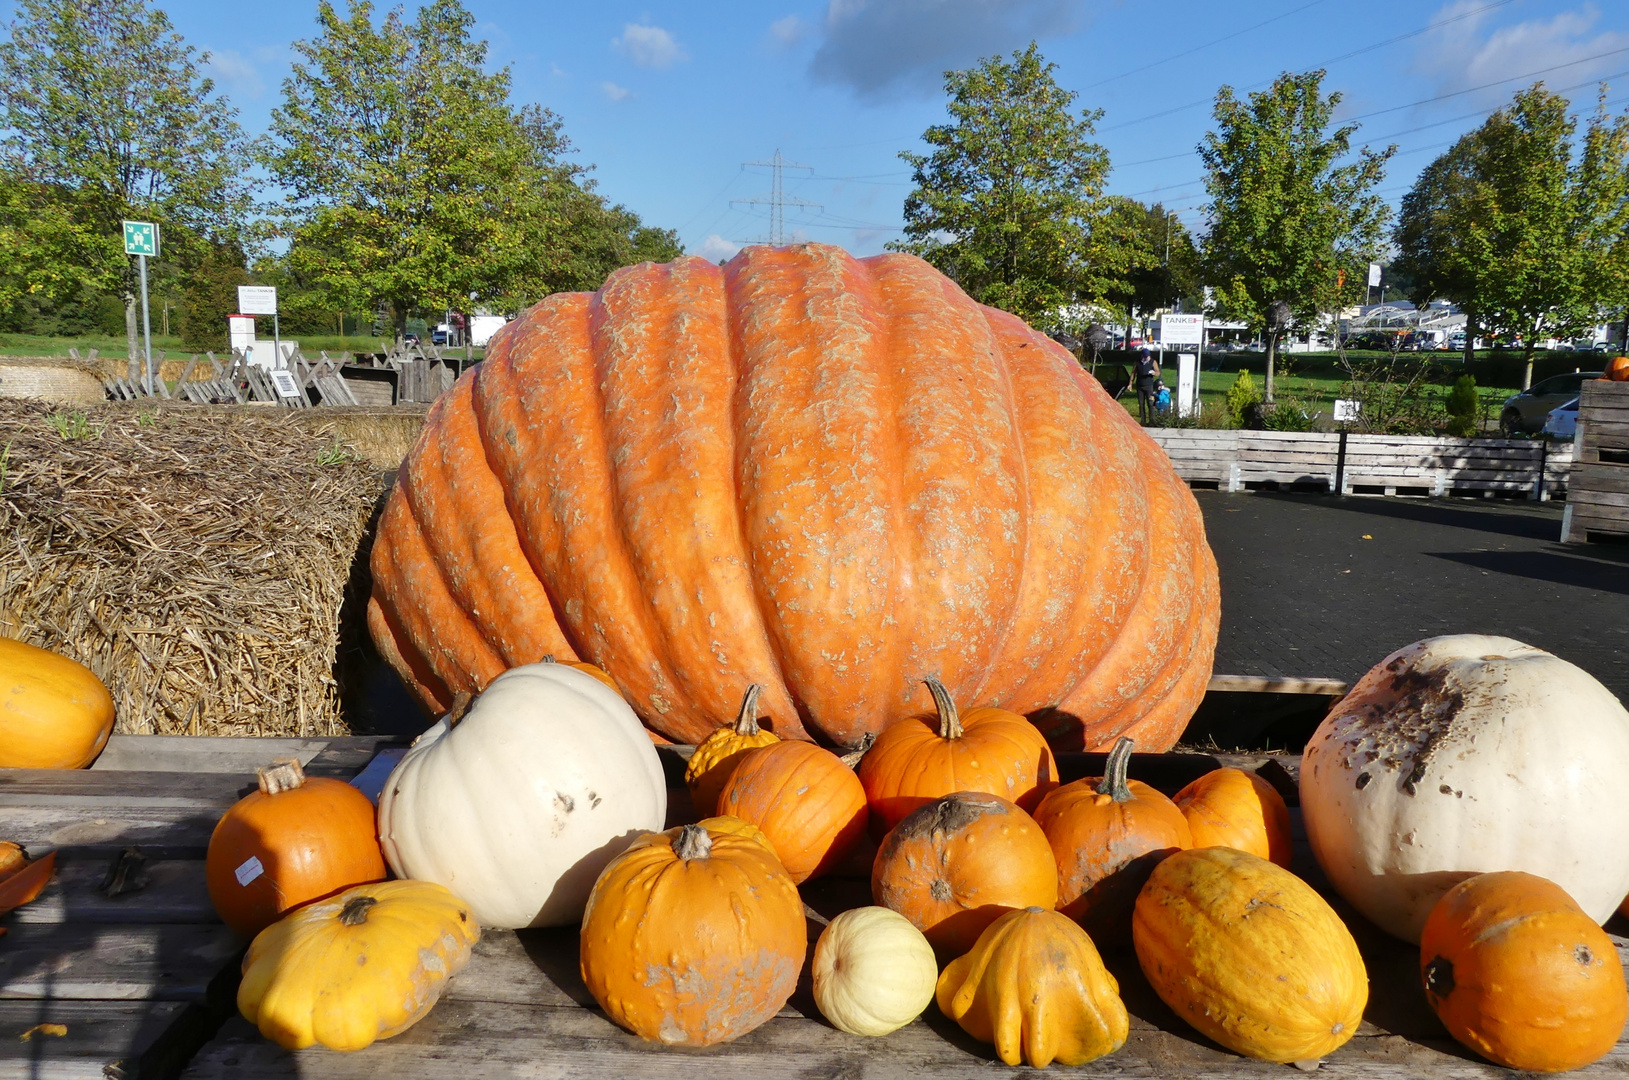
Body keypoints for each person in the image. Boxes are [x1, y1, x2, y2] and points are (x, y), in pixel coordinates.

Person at [1134, 347, 1160, 423]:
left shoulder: (1153, 362)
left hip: (1149, 386)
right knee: (1141, 404)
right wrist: (1130, 383)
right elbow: (1133, 373)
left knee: (1150, 403)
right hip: (1140, 386)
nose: (1147, 358)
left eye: (1148, 356)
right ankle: (1143, 420)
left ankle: (1152, 420)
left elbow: (1158, 372)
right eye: (1145, 356)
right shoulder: (1137, 362)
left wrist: (1154, 373)